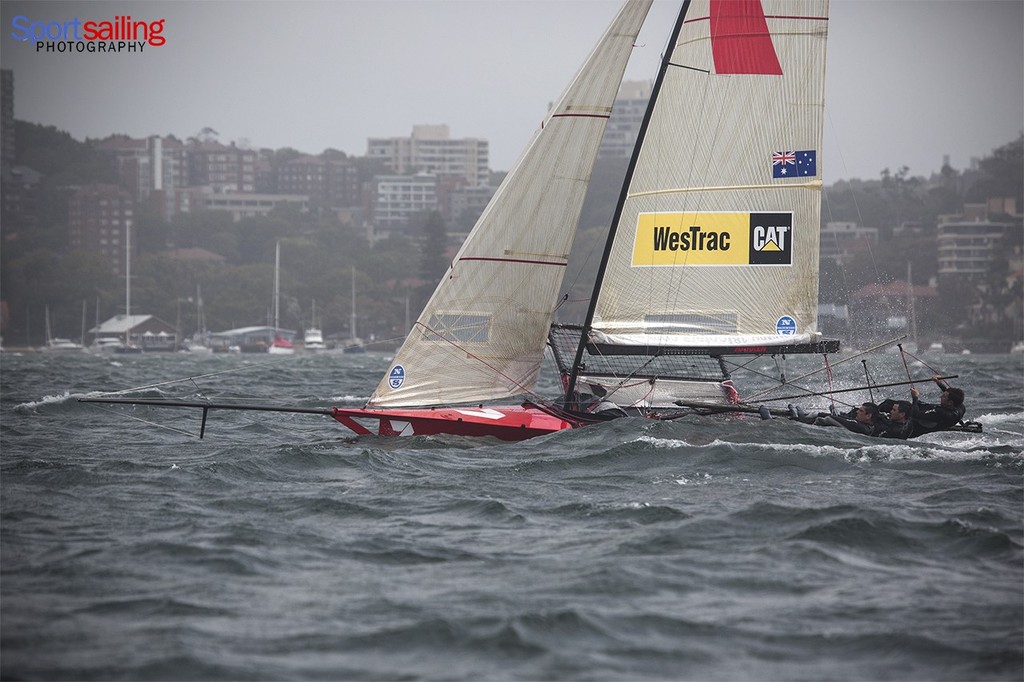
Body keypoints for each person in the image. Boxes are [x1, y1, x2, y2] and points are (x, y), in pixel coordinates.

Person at [788, 402, 886, 436]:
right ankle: (798, 414)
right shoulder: (870, 425)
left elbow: (830, 418)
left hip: (811, 426)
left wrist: (819, 416)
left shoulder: (861, 427)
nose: (857, 412)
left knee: (798, 417)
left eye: (861, 411)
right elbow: (845, 419)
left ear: (868, 416)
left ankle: (796, 415)